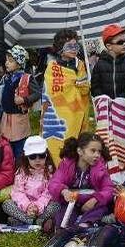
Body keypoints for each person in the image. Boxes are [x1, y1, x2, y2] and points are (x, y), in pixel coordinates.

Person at [46, 133, 115, 231]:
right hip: (71, 203)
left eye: (99, 152)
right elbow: (54, 183)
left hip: (91, 205)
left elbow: (109, 188)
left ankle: (84, 226)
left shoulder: (100, 168)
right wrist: (64, 191)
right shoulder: (66, 164)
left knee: (101, 209)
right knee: (63, 216)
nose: (97, 155)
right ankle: (59, 226)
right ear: (80, 151)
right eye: (93, 151)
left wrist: (95, 199)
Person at [90, 24, 125, 175]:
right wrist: (102, 99)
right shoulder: (100, 65)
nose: (124, 45)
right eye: (120, 42)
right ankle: (110, 169)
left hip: (124, 111)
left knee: (124, 142)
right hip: (106, 111)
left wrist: (124, 101)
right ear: (109, 46)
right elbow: (95, 87)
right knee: (108, 140)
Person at [41, 29, 90, 161]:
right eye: (70, 46)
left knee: (76, 142)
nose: (74, 49)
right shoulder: (52, 67)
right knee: (57, 144)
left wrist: (82, 83)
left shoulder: (80, 65)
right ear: (60, 48)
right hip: (57, 115)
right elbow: (48, 91)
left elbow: (85, 89)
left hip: (76, 110)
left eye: (76, 46)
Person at [2, 136, 60, 228]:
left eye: (41, 156)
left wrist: (38, 207)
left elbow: (48, 194)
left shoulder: (50, 173)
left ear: (46, 155)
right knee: (7, 204)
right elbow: (18, 192)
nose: (37, 160)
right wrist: (27, 206)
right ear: (26, 157)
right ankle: (34, 222)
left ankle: (26, 221)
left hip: (42, 207)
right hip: (24, 207)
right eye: (32, 157)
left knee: (56, 205)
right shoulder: (21, 172)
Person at [0, 46, 40, 157]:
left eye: (11, 61)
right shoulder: (7, 77)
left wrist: (24, 99)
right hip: (6, 116)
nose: (7, 63)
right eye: (6, 60)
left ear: (19, 62)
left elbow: (37, 93)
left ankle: (20, 167)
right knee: (7, 144)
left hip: (19, 117)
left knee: (19, 145)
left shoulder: (26, 78)